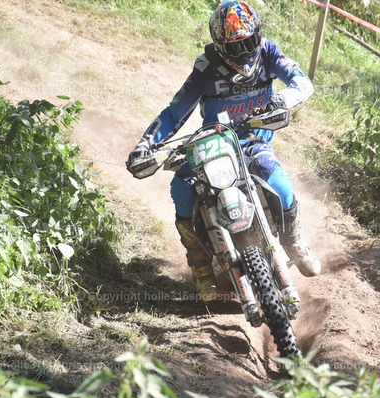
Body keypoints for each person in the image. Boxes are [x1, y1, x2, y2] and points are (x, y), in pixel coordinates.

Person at [127, 0, 320, 302]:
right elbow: (174, 112)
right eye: (234, 47)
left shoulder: (268, 52)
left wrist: (283, 100)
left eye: (249, 42)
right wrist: (145, 145)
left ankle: (294, 240)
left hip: (253, 142)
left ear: (259, 35)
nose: (244, 53)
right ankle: (199, 260)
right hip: (212, 145)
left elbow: (303, 82)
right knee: (181, 188)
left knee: (281, 184)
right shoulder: (205, 69)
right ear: (219, 45)